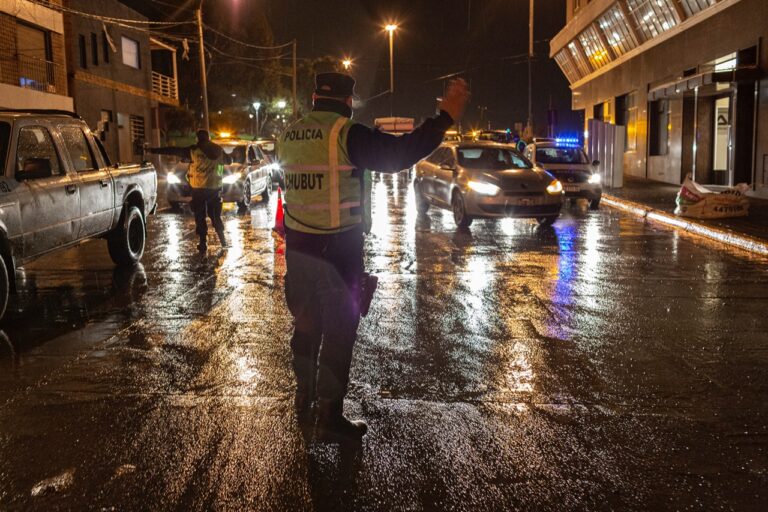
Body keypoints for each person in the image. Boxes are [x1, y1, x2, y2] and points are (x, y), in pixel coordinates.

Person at [279, 72, 469, 441]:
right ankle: (328, 416)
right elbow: (398, 154)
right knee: (338, 335)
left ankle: (304, 398)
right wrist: (444, 117)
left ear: (314, 97)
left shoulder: (288, 134)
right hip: (338, 253)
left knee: (305, 328)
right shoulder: (346, 133)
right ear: (349, 102)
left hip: (298, 252)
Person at [150, 130, 226, 254]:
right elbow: (230, 161)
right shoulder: (219, 150)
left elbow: (172, 150)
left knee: (200, 216)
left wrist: (153, 150)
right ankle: (223, 241)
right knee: (215, 215)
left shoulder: (193, 151)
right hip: (214, 190)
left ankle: (203, 243)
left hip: (198, 190)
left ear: (197, 139)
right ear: (208, 138)